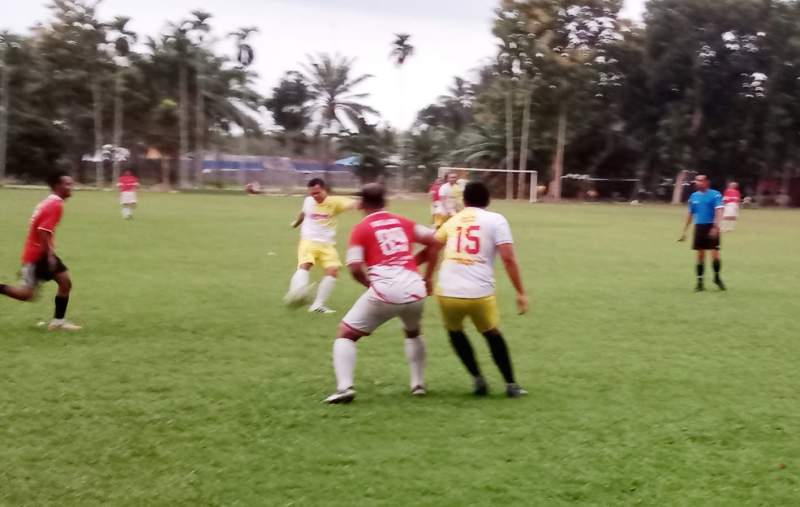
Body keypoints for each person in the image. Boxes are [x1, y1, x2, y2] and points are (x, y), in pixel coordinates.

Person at [324, 183, 442, 404]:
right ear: (385, 202)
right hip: (415, 289)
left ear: (360, 204)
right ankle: (418, 384)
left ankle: (344, 388)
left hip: (386, 290)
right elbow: (436, 241)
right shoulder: (402, 222)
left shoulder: (361, 229)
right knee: (413, 332)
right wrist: (427, 275)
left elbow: (355, 267)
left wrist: (369, 284)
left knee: (346, 334)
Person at [432, 181, 528, 397]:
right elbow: (508, 258)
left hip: (447, 291)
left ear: (464, 200)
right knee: (492, 334)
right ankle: (511, 385)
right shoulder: (496, 220)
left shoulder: (452, 220)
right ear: (488, 200)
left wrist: (423, 273)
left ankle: (478, 379)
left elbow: (432, 248)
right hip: (479, 293)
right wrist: (521, 292)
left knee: (455, 332)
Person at [0, 172, 81, 331]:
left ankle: (58, 322)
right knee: (36, 292)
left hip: (36, 253)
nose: (71, 187)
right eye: (67, 184)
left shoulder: (49, 202)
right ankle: (58, 323)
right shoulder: (56, 204)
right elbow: (43, 230)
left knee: (34, 292)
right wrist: (49, 255)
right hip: (39, 254)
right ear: (57, 186)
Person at [285, 178, 356, 314]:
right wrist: (296, 223)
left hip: (327, 245)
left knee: (333, 272)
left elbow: (354, 204)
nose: (315, 196)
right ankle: (296, 293)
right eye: (312, 193)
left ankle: (317, 305)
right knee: (305, 264)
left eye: (317, 193)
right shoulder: (308, 201)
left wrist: (365, 203)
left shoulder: (335, 202)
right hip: (308, 241)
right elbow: (303, 214)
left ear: (325, 189)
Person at [679, 174, 726, 291]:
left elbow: (719, 211)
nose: (698, 183)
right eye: (697, 181)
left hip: (711, 226)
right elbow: (690, 214)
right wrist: (685, 230)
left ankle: (716, 277)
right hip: (699, 227)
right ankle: (700, 282)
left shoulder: (715, 194)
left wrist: (716, 226)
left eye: (700, 181)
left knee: (715, 255)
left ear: (706, 182)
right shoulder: (694, 196)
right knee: (700, 255)